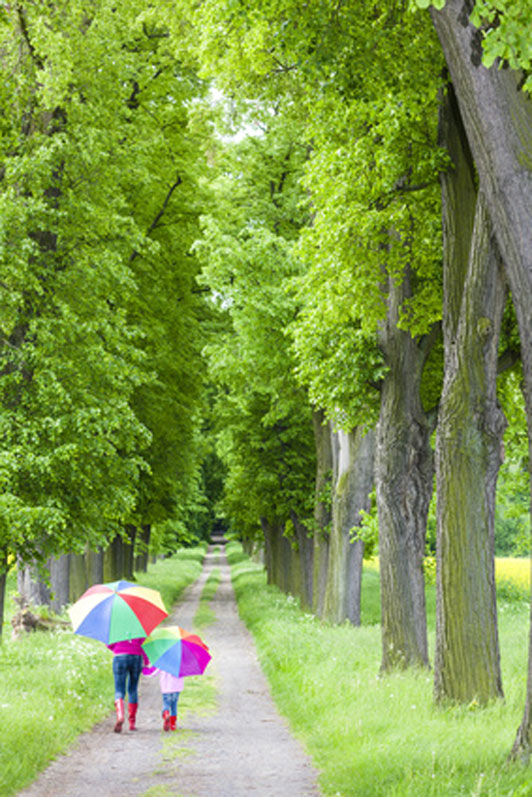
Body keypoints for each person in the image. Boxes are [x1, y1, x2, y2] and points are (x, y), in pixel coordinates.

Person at [107, 637, 150, 733]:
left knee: (119, 690)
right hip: (136, 657)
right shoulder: (139, 626)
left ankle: (120, 715)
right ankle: (132, 723)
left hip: (119, 656)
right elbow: (144, 645)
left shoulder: (115, 626)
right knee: (133, 689)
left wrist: (118, 648)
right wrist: (146, 661)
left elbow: (109, 644)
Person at [144, 666, 184, 731]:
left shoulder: (162, 661)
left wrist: (144, 670)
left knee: (166, 704)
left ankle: (166, 714)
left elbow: (153, 672)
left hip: (166, 687)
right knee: (174, 706)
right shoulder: (180, 662)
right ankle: (173, 725)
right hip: (177, 688)